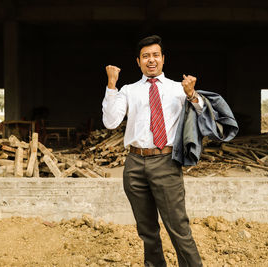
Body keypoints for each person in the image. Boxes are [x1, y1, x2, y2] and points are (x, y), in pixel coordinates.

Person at [102, 35, 204, 267]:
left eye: (155, 55)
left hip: (166, 162)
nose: (151, 60)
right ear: (138, 61)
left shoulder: (179, 89)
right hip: (135, 164)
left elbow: (203, 117)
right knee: (147, 229)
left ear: (163, 59)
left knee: (178, 227)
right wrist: (111, 84)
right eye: (146, 56)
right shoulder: (128, 90)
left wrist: (192, 95)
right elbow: (110, 122)